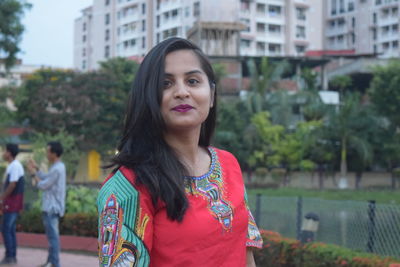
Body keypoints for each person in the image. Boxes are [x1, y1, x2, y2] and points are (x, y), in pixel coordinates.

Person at [97, 37, 263, 267]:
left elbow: (246, 255)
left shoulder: (228, 164)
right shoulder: (128, 186)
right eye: (165, 84)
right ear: (147, 98)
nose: (181, 92)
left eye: (193, 81)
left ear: (212, 95)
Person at [27, 142, 66, 267]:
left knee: (53, 239)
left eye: (48, 151)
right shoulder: (57, 166)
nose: (46, 154)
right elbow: (46, 177)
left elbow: (44, 185)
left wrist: (33, 173)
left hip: (52, 208)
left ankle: (55, 263)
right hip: (51, 207)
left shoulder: (57, 168)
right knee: (51, 238)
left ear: (54, 153)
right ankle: (50, 262)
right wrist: (37, 169)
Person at [0, 143, 24, 265]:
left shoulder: (14, 166)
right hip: (12, 202)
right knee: (10, 230)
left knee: (6, 229)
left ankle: (10, 256)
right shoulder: (12, 166)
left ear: (9, 153)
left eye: (4, 151)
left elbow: (12, 184)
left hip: (12, 202)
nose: (3, 153)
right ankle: (12, 256)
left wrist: (2, 198)